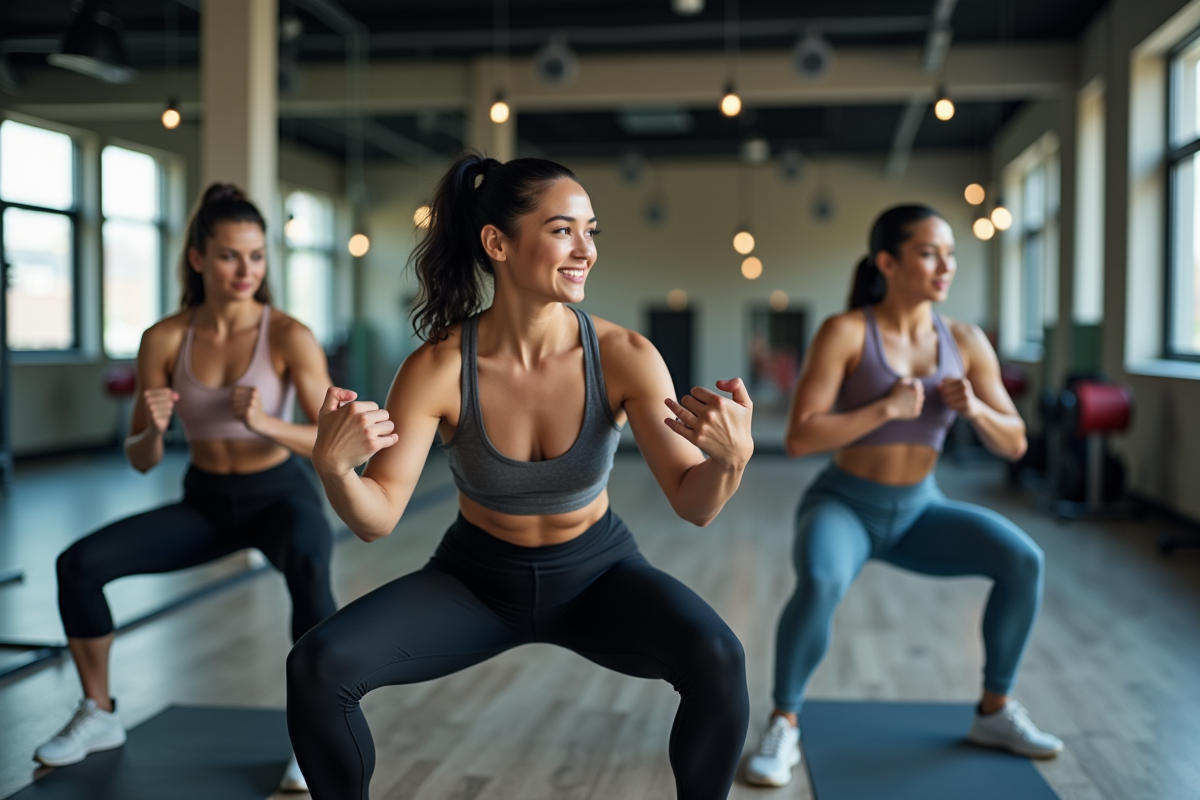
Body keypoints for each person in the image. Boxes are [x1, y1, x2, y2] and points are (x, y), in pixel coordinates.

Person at [285, 154, 754, 800]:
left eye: (592, 231)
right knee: (317, 665)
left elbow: (693, 504)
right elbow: (379, 517)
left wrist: (730, 461)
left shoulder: (624, 356)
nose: (586, 250)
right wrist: (334, 469)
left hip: (599, 576)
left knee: (719, 660)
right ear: (497, 243)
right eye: (564, 230)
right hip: (474, 583)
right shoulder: (439, 367)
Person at [745, 205, 1063, 788]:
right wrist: (882, 410)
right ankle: (784, 722)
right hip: (844, 506)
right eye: (928, 253)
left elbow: (1016, 441)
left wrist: (976, 409)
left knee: (1023, 560)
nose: (945, 266)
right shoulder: (845, 332)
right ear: (887, 262)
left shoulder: (966, 341)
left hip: (920, 510)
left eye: (950, 254)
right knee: (820, 582)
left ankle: (994, 711)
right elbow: (799, 437)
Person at [37, 184, 336, 793]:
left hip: (279, 496)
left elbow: (332, 440)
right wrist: (155, 429)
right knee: (78, 565)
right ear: (199, 258)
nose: (245, 270)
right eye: (230, 256)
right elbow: (142, 458)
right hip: (205, 502)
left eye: (256, 256)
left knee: (308, 565)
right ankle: (100, 714)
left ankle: (314, 735)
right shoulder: (166, 339)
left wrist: (267, 424)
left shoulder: (288, 336)